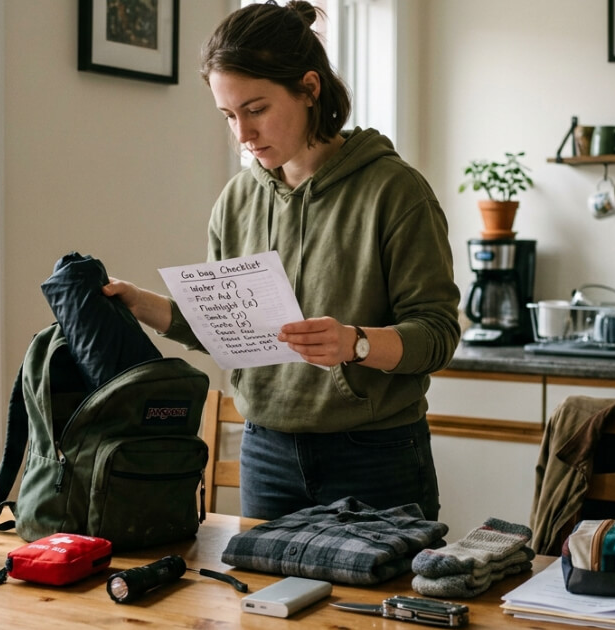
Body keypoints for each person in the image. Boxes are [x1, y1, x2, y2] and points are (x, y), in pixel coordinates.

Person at [102, 0, 460, 521]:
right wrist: (138, 302)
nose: (242, 135)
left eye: (256, 109)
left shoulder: (395, 191)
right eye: (229, 116)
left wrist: (355, 343)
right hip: (266, 452)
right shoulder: (236, 200)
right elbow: (226, 329)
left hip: (376, 454)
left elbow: (438, 334)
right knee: (260, 582)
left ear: (309, 89)